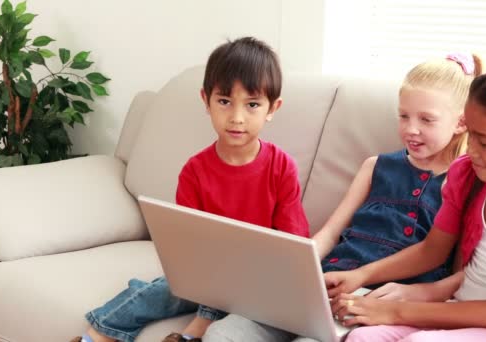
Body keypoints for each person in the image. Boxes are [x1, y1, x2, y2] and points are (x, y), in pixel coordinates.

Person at [201, 53, 482, 342]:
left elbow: (462, 272)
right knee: (224, 332)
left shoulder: (467, 183)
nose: (411, 129)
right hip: (329, 282)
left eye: (426, 120)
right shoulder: (375, 167)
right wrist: (296, 268)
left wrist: (414, 297)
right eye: (403, 116)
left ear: (460, 122)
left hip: (380, 303)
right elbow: (330, 234)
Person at [70, 36, 310, 342]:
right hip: (206, 277)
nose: (237, 117)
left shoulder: (281, 167)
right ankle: (97, 335)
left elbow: (293, 247)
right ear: (206, 101)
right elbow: (187, 248)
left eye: (252, 105)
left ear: (272, 108)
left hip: (255, 282)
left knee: (228, 287)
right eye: (224, 102)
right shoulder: (195, 170)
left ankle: (198, 329)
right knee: (155, 290)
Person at [331, 56, 486, 342]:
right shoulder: (468, 174)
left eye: (484, 142)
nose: (471, 149)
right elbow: (431, 251)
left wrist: (395, 311)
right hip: (464, 311)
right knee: (362, 337)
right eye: (470, 134)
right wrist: (360, 275)